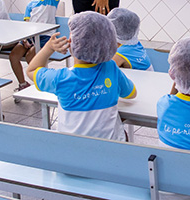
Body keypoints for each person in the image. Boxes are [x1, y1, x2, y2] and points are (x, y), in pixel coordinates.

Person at [26, 11, 137, 140]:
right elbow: (131, 93)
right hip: (110, 149)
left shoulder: (60, 78)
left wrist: (48, 48)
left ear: (72, 42)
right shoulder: (111, 68)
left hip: (73, 151)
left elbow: (31, 70)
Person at [9, 0, 60, 96]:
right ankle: (23, 84)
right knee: (14, 56)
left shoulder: (52, 1)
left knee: (31, 56)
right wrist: (24, 40)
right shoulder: (31, 5)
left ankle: (40, 85)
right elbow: (26, 25)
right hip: (29, 37)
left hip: (45, 38)